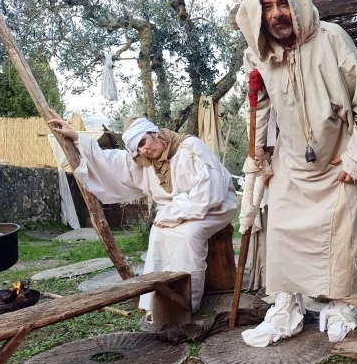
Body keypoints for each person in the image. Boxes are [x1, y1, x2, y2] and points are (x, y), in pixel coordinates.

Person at [234, 0, 357, 342]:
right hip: (292, 161)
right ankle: (287, 308)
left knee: (340, 240)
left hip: (339, 159)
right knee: (282, 233)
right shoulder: (260, 54)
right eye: (268, 7)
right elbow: (259, 108)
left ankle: (339, 305)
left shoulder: (332, 38)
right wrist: (258, 154)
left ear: (298, 3)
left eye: (283, 3)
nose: (277, 14)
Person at [48, 115, 238, 318]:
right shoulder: (143, 161)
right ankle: (158, 300)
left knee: (188, 236)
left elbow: (211, 191)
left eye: (143, 142)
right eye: (137, 148)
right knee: (157, 234)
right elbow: (110, 160)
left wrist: (173, 214)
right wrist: (77, 137)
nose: (143, 150)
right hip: (175, 209)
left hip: (212, 205)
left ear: (154, 132)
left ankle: (187, 301)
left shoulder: (190, 148)